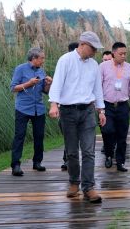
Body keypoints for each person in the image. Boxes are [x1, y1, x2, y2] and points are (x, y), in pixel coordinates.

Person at [48, 31, 106, 203]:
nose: (95, 52)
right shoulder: (65, 60)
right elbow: (57, 82)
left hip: (88, 111)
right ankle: (74, 182)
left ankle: (89, 187)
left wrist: (101, 110)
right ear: (82, 44)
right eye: (93, 48)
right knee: (72, 152)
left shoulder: (94, 64)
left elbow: (97, 89)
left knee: (89, 151)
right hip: (68, 111)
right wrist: (53, 104)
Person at [9, 47, 53, 177]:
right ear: (34, 58)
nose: (43, 60)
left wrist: (48, 84)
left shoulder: (41, 70)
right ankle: (16, 165)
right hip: (22, 108)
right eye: (41, 58)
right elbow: (13, 88)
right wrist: (29, 83)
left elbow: (45, 91)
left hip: (38, 108)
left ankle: (37, 162)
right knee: (19, 135)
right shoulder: (20, 69)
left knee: (39, 136)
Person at [99, 42, 130, 173]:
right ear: (113, 54)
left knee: (122, 135)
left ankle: (120, 161)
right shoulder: (103, 67)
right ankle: (109, 154)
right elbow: (98, 86)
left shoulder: (129, 67)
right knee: (107, 131)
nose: (123, 56)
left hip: (122, 105)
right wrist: (99, 107)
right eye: (121, 54)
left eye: (125, 53)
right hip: (107, 105)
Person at [60, 42, 79, 171]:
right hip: (66, 108)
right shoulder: (64, 63)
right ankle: (68, 160)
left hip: (79, 108)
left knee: (72, 136)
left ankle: (70, 160)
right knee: (69, 136)